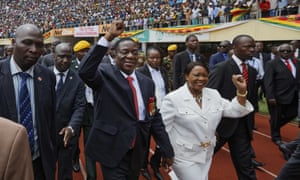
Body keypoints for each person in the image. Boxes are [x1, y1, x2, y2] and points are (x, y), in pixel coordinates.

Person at [78, 20, 174, 180]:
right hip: (112, 149)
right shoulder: (104, 74)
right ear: (114, 54)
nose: (130, 56)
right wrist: (108, 37)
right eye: (125, 52)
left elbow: (153, 117)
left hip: (137, 150)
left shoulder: (146, 83)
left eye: (134, 52)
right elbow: (85, 71)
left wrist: (166, 149)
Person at [160, 61, 254, 180]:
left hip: (206, 153)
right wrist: (165, 152)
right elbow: (163, 127)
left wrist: (241, 91)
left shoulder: (214, 94)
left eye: (205, 75)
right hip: (183, 155)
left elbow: (235, 111)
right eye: (196, 75)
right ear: (187, 76)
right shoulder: (173, 99)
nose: (201, 78)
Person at [0, 24, 56, 180]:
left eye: (39, 45)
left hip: (40, 163)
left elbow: (50, 119)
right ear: (13, 42)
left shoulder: (47, 76)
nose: (34, 49)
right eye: (27, 42)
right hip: (5, 165)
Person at [207, 34, 261, 180]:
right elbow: (209, 97)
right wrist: (211, 127)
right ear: (235, 48)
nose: (251, 50)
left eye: (253, 46)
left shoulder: (251, 71)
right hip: (221, 126)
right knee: (199, 160)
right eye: (247, 47)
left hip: (242, 127)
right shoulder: (221, 68)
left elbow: (251, 99)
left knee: (245, 165)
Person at [53, 43, 86, 180]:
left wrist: (72, 127)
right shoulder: (42, 74)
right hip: (45, 135)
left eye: (68, 57)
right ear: (54, 56)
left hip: (67, 136)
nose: (65, 60)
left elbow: (80, 106)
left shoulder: (77, 79)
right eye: (61, 57)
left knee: (65, 173)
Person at [137, 46, 169, 180]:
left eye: (158, 58)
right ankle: (143, 166)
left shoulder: (163, 71)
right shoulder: (140, 72)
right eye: (152, 58)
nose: (155, 60)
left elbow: (165, 89)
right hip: (148, 113)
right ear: (146, 59)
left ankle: (155, 164)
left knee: (162, 142)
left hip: (164, 110)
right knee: (145, 142)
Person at [71, 40, 98, 180]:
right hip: (74, 110)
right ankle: (75, 158)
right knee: (73, 141)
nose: (85, 53)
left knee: (89, 144)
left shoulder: (95, 65)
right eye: (82, 51)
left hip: (90, 109)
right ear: (76, 53)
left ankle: (91, 175)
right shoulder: (70, 66)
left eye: (87, 50)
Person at [264, 43, 299, 146]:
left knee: (293, 113)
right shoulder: (272, 64)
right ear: (279, 52)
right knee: (276, 116)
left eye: (288, 51)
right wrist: (270, 96)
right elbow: (268, 81)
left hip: (294, 95)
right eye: (283, 51)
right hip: (278, 96)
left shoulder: (297, 63)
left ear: (292, 52)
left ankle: (275, 125)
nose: (285, 53)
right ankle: (276, 137)